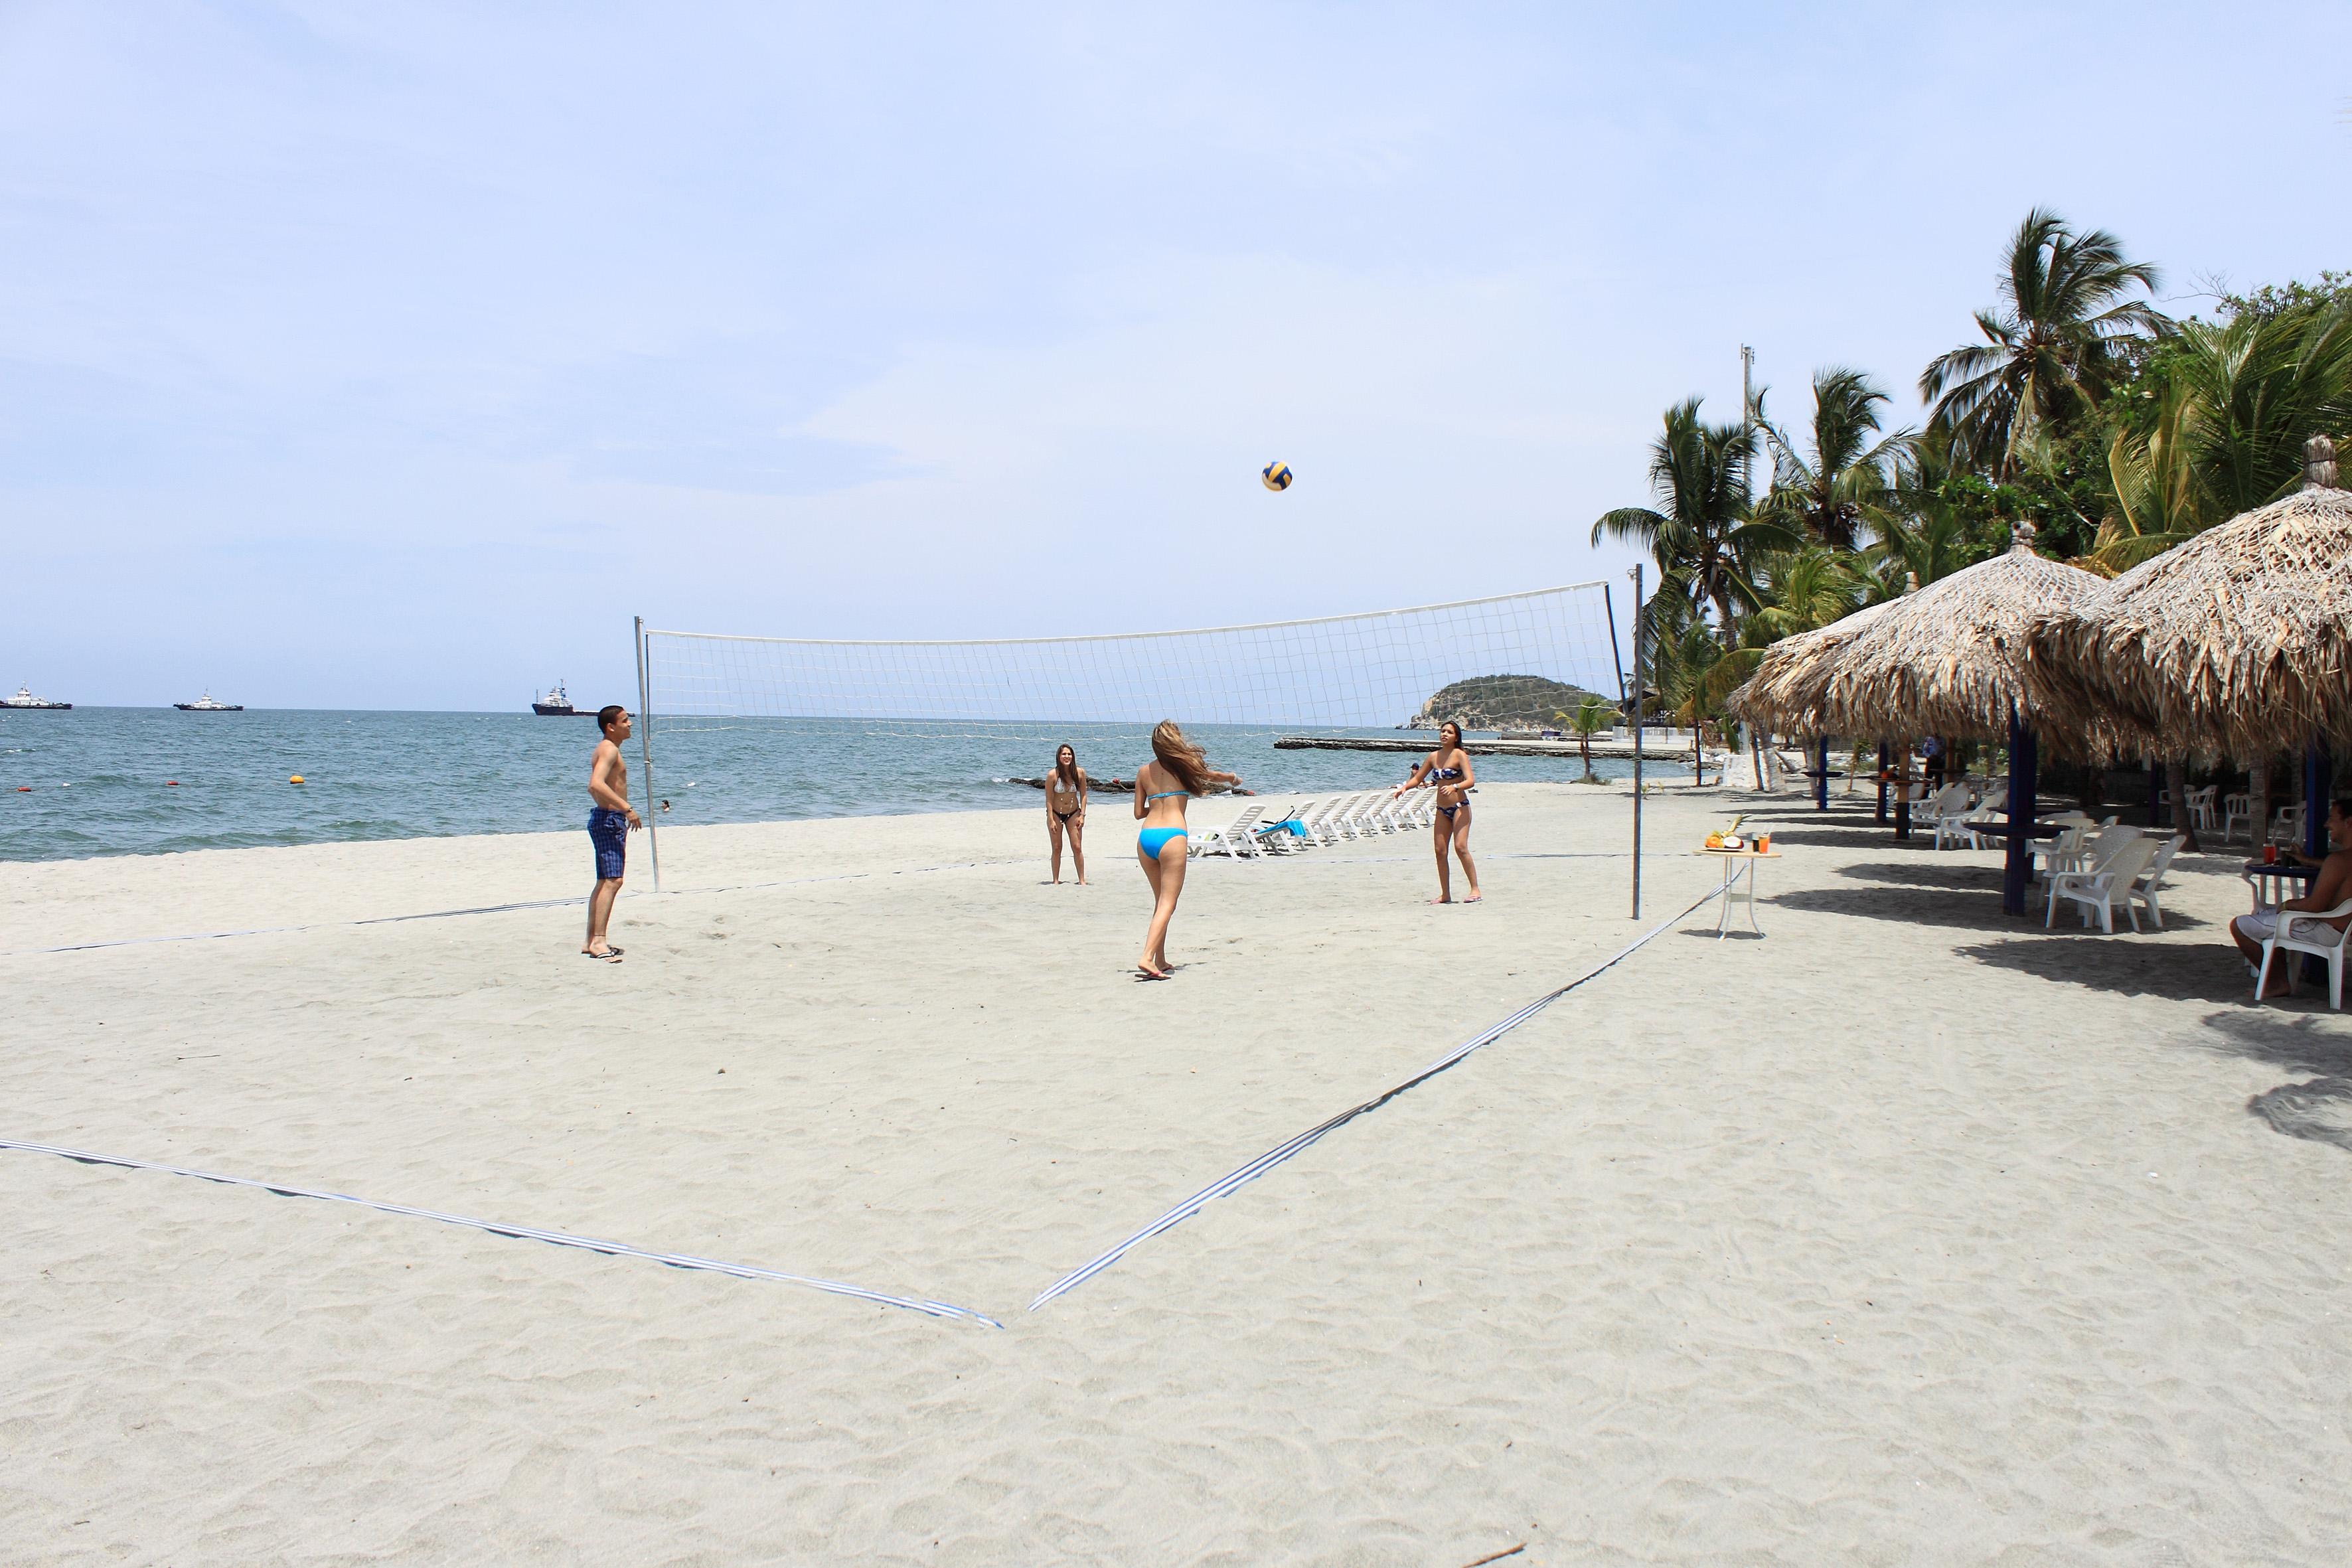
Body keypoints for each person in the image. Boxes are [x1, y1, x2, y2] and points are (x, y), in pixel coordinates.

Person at [1132, 720, 1241, 979]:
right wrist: (1232, 778)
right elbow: (1214, 777)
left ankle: (1160, 958)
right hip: (1172, 836)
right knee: (1169, 903)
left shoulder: (1143, 771)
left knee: (1160, 902)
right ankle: (1146, 957)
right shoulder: (1184, 766)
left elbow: (1138, 813)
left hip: (1146, 837)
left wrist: (1158, 805)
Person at [2233, 795, 2351, 998]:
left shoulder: (2338, 860)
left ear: (2349, 822)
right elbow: (2339, 872)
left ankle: (2276, 982)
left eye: (2332, 818)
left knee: (2241, 925)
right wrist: (2307, 860)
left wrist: (2286, 905)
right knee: (2267, 917)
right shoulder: (2341, 861)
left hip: (2325, 929)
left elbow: (2314, 906)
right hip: (2343, 929)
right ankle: (2277, 980)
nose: (2327, 824)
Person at [1395, 718, 1482, 903]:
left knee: (1460, 847)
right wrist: (1404, 788)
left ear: (1456, 736)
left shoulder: (1460, 755)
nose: (1444, 734)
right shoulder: (1433, 756)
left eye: (1449, 732)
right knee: (1440, 851)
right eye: (1443, 731)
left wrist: (1455, 787)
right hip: (1442, 809)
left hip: (1460, 807)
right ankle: (1446, 894)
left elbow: (1471, 781)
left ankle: (1475, 890)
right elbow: (1418, 779)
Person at [583, 704, 643, 962]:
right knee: (613, 881)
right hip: (609, 819)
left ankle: (590, 941)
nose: (630, 724)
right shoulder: (608, 749)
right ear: (611, 726)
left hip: (605, 817)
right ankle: (598, 941)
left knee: (604, 881)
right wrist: (626, 808)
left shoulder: (608, 749)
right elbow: (595, 785)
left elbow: (597, 788)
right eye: (625, 720)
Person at [1046, 743, 1089, 885]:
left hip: (1074, 813)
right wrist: (1051, 819)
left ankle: (1082, 881)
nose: (1067, 756)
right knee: (1057, 847)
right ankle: (1056, 880)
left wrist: (1082, 815)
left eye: (1069, 754)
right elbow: (1048, 799)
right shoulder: (1052, 775)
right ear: (1059, 757)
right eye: (1064, 754)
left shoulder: (1079, 773)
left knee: (1077, 847)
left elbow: (1083, 795)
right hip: (1056, 814)